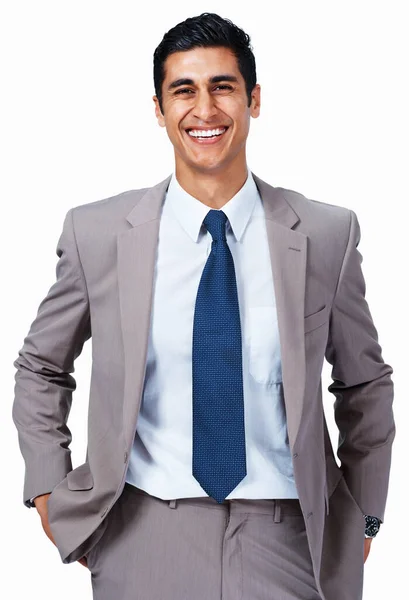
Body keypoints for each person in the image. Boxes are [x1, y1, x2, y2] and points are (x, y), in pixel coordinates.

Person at [13, 12, 395, 600]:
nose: (205, 109)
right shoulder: (97, 233)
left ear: (254, 99)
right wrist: (47, 491)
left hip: (288, 535)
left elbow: (365, 384)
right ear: (159, 108)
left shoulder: (325, 234)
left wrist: (365, 513)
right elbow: (41, 366)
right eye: (183, 90)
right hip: (143, 535)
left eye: (223, 86)